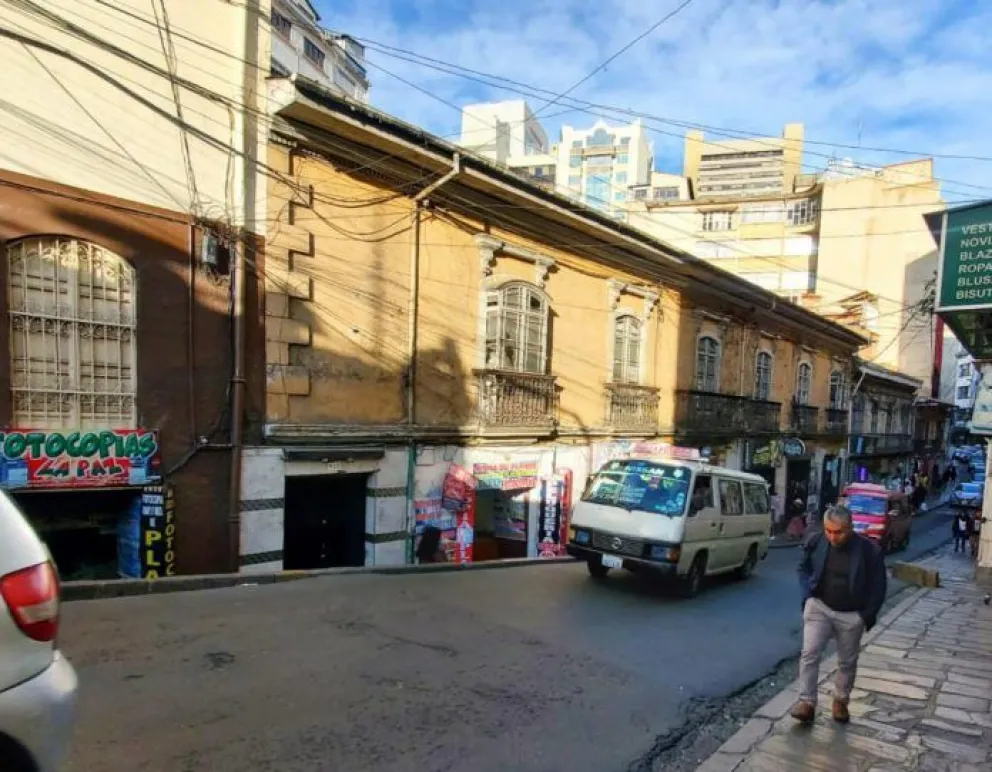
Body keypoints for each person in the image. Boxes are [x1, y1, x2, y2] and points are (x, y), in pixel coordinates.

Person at [792, 504, 887, 725]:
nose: (833, 537)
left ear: (850, 528)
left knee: (847, 661)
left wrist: (866, 615)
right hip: (820, 607)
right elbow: (803, 567)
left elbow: (879, 585)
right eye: (829, 531)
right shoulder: (817, 541)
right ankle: (806, 702)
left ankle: (840, 701)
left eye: (839, 532)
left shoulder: (869, 551)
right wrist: (808, 595)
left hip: (851, 614)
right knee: (809, 653)